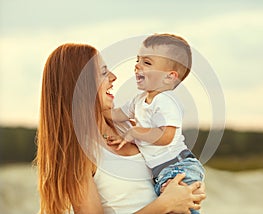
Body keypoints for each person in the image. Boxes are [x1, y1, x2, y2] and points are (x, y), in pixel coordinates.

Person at [35, 43, 206, 214]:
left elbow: (170, 165)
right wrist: (165, 204)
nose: (113, 77)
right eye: (103, 73)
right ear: (80, 84)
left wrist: (190, 187)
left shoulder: (129, 125)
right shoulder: (78, 151)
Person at [103, 34, 205, 214]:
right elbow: (117, 114)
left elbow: (166, 136)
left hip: (179, 167)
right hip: (162, 171)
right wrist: (92, 107)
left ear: (169, 77)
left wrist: (134, 132)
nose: (137, 66)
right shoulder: (139, 100)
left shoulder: (166, 101)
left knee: (181, 209)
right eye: (138, 60)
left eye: (147, 63)